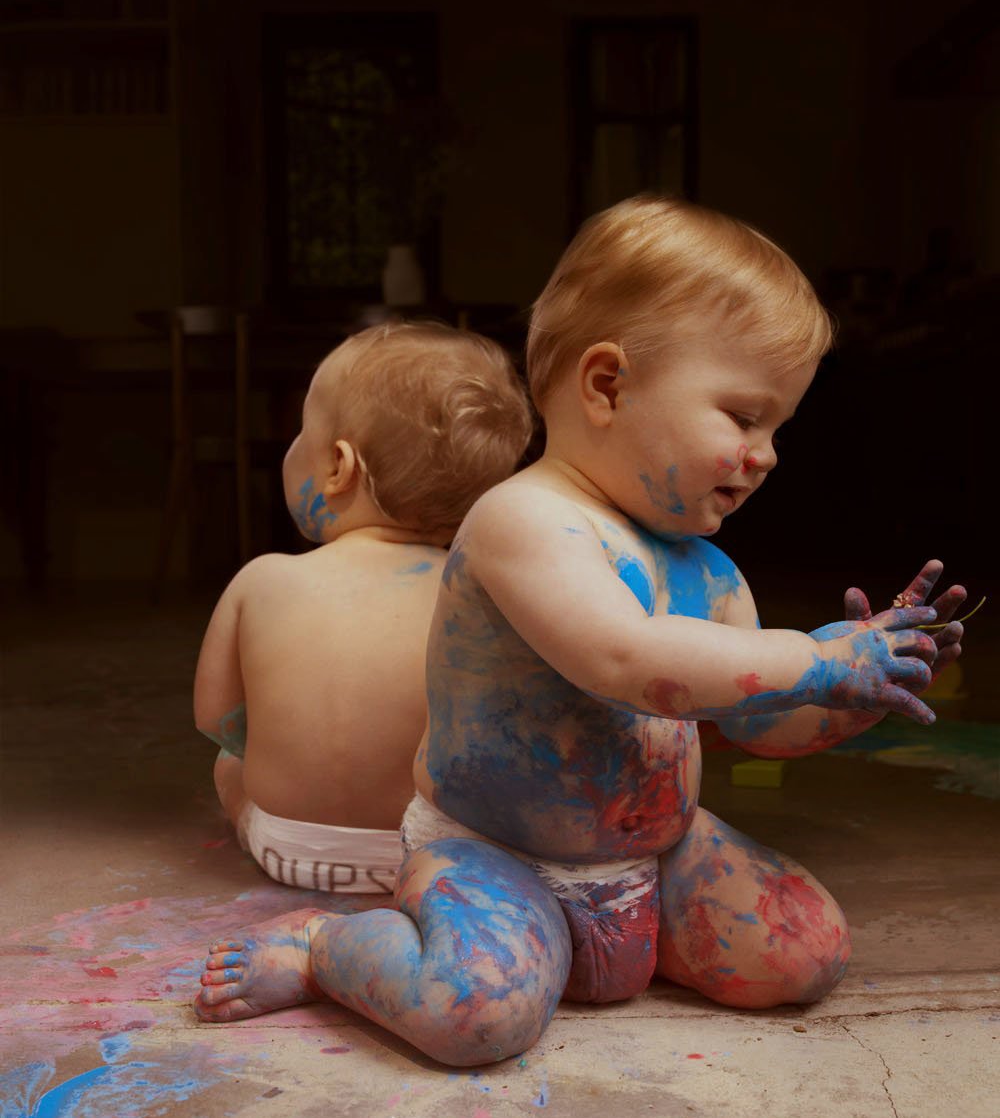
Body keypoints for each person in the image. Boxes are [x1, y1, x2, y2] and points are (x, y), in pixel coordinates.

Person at [193, 197, 967, 1065]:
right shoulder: (522, 522)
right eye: (744, 418)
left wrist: (859, 689)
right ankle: (324, 947)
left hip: (659, 852)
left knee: (807, 953)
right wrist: (813, 658)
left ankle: (612, 948)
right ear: (607, 386)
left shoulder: (710, 571)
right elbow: (623, 658)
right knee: (473, 1015)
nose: (767, 454)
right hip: (499, 857)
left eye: (778, 428)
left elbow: (760, 724)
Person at [193, 320, 533, 895]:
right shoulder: (483, 596)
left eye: (302, 432)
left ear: (338, 467)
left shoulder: (262, 579)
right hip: (434, 851)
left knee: (229, 764)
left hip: (289, 847)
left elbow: (215, 718)